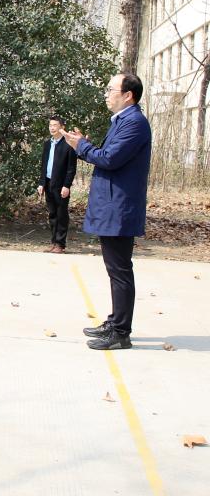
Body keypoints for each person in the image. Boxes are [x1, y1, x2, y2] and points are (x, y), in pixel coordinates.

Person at [61, 73, 151, 351]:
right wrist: (82, 145)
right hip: (112, 205)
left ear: (128, 95)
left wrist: (81, 146)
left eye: (111, 89)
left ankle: (121, 333)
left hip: (119, 207)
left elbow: (109, 159)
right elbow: (105, 155)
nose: (106, 94)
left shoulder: (134, 123)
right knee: (115, 269)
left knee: (120, 270)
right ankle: (115, 322)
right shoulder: (122, 121)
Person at [37, 115, 77, 254]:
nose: (52, 128)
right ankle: (54, 242)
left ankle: (60, 244)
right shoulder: (47, 143)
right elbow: (44, 165)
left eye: (55, 125)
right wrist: (41, 183)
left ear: (62, 127)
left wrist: (67, 185)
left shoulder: (68, 144)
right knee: (52, 213)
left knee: (61, 214)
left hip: (61, 185)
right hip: (48, 183)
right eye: (50, 125)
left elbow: (71, 168)